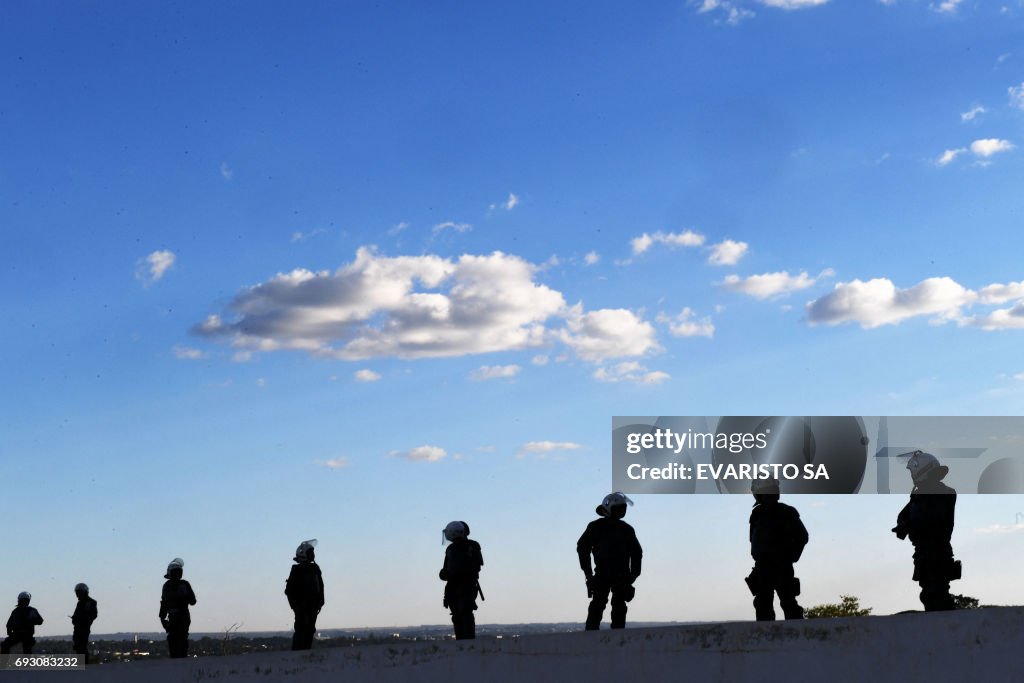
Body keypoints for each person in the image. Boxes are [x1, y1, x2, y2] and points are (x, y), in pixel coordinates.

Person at [892, 451, 959, 611]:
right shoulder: (919, 494)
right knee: (929, 595)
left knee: (936, 597)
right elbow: (904, 515)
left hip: (936, 555)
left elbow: (933, 520)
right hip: (924, 554)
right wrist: (904, 525)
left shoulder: (942, 493)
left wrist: (910, 526)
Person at [577, 492, 642, 630]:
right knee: (598, 606)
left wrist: (633, 575)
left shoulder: (626, 530)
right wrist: (588, 574)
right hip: (603, 574)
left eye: (623, 508)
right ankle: (591, 637)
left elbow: (637, 553)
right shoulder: (596, 527)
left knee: (617, 607)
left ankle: (614, 638)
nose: (622, 511)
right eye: (619, 508)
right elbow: (583, 548)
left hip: (621, 576)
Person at [746, 479, 809, 621]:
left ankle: (797, 637)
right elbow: (753, 539)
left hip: (782, 566)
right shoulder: (756, 514)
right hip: (762, 568)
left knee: (789, 604)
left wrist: (791, 556)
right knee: (763, 605)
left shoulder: (786, 512)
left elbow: (802, 536)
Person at [439, 521, 484, 640]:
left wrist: (444, 574)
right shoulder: (473, 546)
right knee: (466, 614)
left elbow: (446, 572)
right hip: (469, 587)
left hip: (455, 589)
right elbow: (478, 566)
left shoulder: (452, 549)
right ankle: (469, 642)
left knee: (459, 617)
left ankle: (462, 643)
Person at [285, 539, 325, 650]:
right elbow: (289, 591)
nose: (313, 555)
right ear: (304, 554)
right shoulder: (297, 570)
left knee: (310, 629)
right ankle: (297, 652)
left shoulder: (315, 569)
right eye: (310, 552)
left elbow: (321, 586)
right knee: (301, 628)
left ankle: (306, 651)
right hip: (302, 606)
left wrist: (321, 601)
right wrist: (296, 606)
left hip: (313, 606)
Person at [159, 558, 197, 658]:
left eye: (178, 572)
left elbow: (193, 601)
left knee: (181, 638)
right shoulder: (168, 586)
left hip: (182, 615)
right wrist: (162, 618)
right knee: (175, 639)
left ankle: (181, 658)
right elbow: (164, 603)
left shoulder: (183, 584)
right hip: (174, 617)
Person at [71, 583, 98, 664]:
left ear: (84, 592)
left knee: (82, 646)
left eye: (79, 592)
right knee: (77, 646)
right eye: (77, 592)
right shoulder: (79, 603)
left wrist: (84, 620)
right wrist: (74, 619)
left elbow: (93, 615)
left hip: (84, 628)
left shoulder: (90, 602)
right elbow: (76, 614)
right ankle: (81, 663)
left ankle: (84, 663)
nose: (78, 594)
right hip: (77, 628)